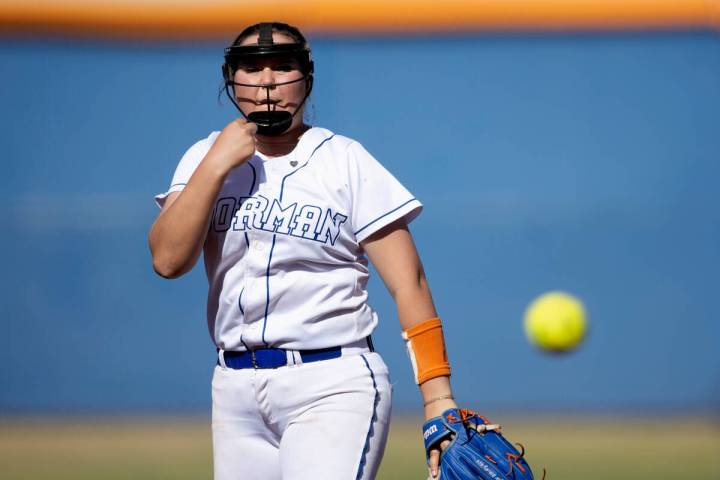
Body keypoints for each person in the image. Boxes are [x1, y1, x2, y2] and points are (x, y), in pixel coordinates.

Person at [149, 21, 457, 480]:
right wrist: (215, 163)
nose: (268, 81)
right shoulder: (203, 158)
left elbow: (409, 282)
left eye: (283, 66)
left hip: (332, 382)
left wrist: (438, 400)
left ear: (307, 78)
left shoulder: (344, 161)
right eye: (251, 68)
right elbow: (168, 260)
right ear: (230, 78)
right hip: (234, 389)